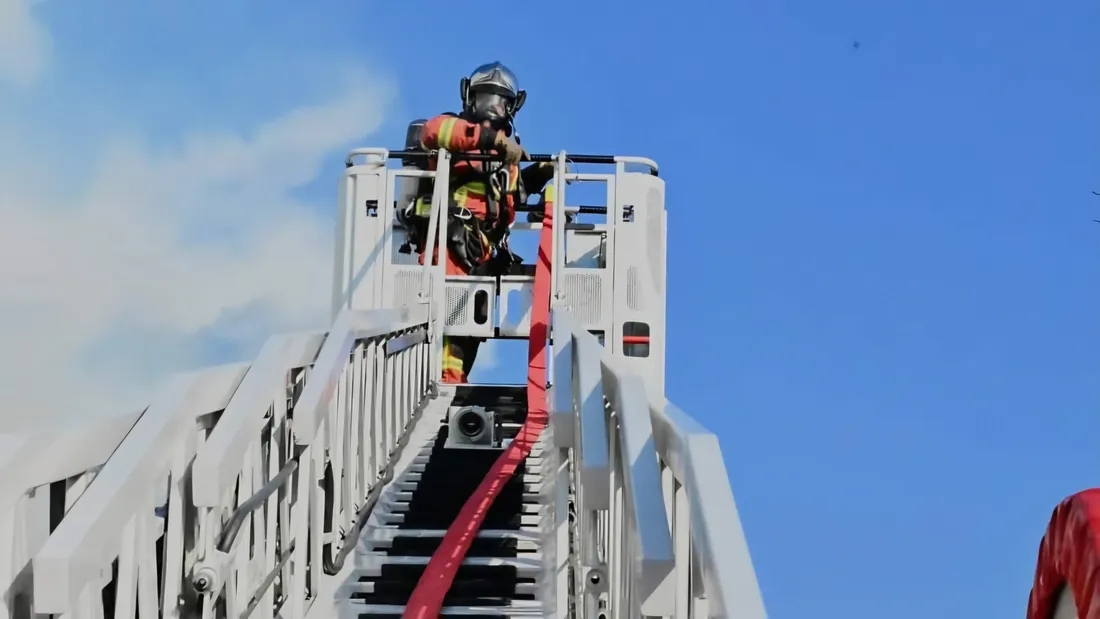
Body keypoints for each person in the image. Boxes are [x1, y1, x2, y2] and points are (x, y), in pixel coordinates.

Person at [403, 61, 556, 383]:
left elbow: (509, 198)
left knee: (473, 319)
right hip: (451, 234)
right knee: (450, 308)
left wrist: (540, 173)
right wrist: (494, 142)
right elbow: (435, 131)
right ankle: (443, 379)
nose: (492, 108)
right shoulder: (454, 130)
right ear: (468, 97)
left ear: (512, 106)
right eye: (485, 98)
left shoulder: (507, 158)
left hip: (484, 248)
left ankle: (455, 377)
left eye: (500, 101)